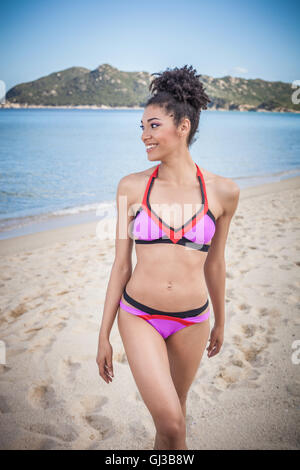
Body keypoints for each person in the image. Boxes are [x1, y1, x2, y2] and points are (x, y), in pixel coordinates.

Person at [96, 65, 240, 450]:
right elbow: (121, 265)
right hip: (139, 313)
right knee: (174, 425)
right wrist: (103, 334)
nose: (144, 135)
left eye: (154, 125)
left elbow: (216, 263)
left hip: (193, 321)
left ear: (184, 126)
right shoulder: (132, 187)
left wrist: (220, 323)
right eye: (141, 127)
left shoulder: (224, 192)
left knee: (172, 425)